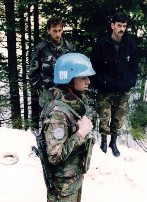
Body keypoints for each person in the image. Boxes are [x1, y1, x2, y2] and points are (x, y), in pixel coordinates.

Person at [39, 53, 96, 202]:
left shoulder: (72, 103)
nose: (88, 81)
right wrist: (81, 133)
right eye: (83, 77)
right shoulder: (57, 114)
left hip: (72, 180)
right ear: (69, 79)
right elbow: (54, 156)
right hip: (63, 188)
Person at [90, 12, 139, 157]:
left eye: (124, 26)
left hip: (123, 89)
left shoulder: (130, 45)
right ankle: (104, 142)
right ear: (112, 26)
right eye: (119, 25)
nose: (122, 29)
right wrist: (100, 82)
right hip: (105, 89)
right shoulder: (102, 43)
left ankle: (114, 142)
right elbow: (93, 67)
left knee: (119, 118)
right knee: (104, 117)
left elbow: (134, 69)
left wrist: (129, 83)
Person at [29, 17, 76, 93]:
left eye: (59, 30)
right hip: (47, 91)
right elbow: (33, 75)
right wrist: (45, 87)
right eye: (54, 31)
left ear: (62, 30)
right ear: (48, 31)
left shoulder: (69, 47)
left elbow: (74, 70)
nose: (57, 34)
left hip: (67, 89)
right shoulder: (40, 49)